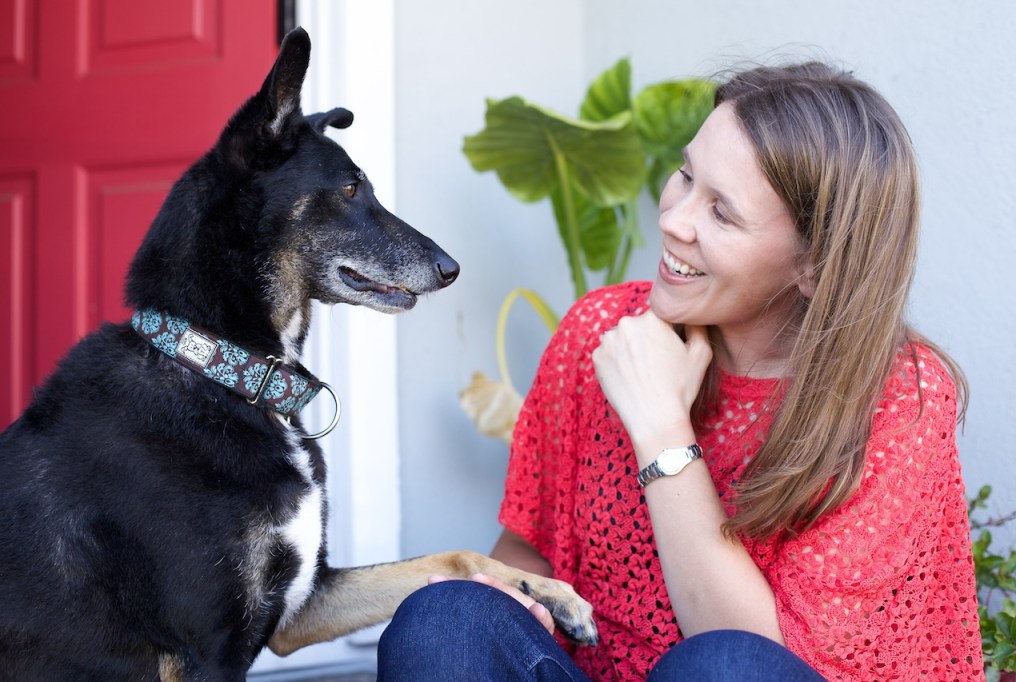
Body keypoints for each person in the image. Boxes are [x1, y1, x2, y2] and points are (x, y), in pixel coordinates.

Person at [376, 61, 983, 681]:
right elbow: (530, 550)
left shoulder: (898, 400)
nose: (672, 219)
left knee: (723, 666)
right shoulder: (602, 331)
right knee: (444, 617)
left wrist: (662, 430)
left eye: (722, 212)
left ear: (814, 265)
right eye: (687, 176)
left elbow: (765, 660)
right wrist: (514, 602)